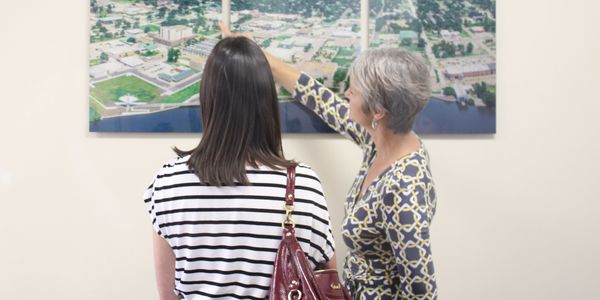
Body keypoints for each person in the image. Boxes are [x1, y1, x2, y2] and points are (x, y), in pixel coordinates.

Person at [221, 24, 438, 299]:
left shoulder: (406, 187)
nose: (346, 93)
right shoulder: (382, 140)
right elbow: (322, 100)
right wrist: (257, 53)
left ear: (379, 111)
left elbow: (422, 289)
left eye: (354, 91)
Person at [143, 37, 337, 300]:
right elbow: (327, 283)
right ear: (267, 101)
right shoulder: (303, 183)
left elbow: (168, 296)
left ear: (208, 98)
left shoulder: (168, 183)